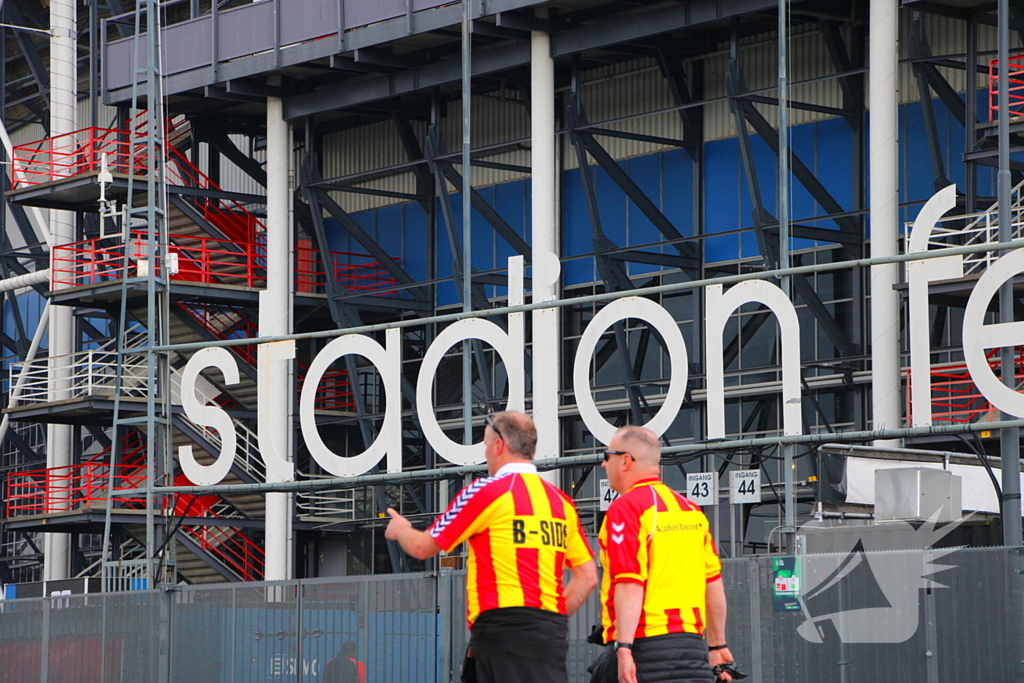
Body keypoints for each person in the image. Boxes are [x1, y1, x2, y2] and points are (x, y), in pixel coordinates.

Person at [386, 411, 598, 683]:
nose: (485, 454)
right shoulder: (561, 503)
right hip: (550, 632)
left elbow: (423, 547)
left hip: (500, 625)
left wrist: (401, 529)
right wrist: (548, 617)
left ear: (499, 446)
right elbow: (588, 576)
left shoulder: (487, 491)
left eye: (485, 445)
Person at [598, 426, 735, 683]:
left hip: (645, 649)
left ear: (625, 461)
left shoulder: (626, 509)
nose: (604, 465)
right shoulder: (691, 511)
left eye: (607, 456)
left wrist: (624, 649)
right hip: (692, 649)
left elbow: (629, 582)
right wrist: (717, 646)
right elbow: (713, 583)